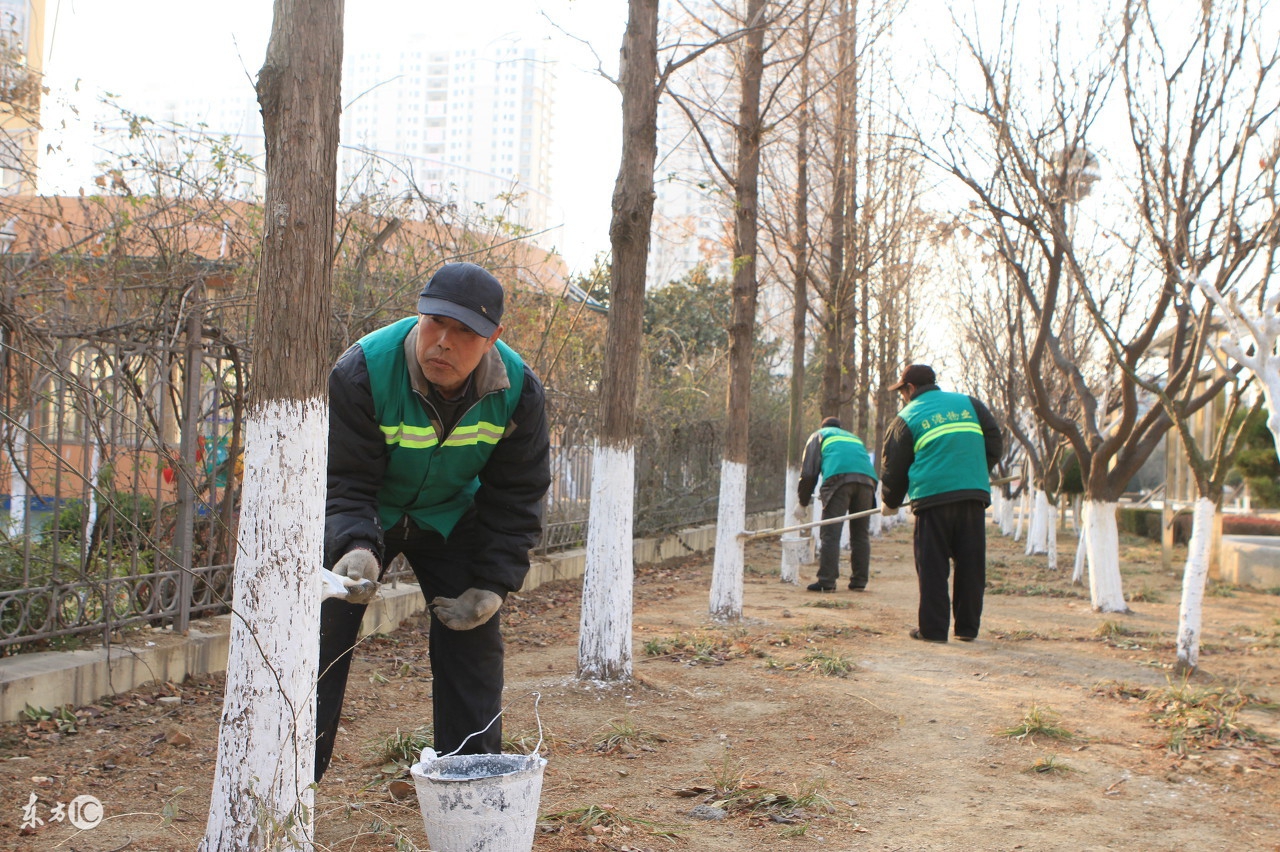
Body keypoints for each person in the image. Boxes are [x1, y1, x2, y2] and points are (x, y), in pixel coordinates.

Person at [317, 262, 551, 781]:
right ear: (419, 316)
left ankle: (470, 781)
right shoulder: (363, 369)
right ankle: (289, 784)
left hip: (450, 519)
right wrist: (354, 545)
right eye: (434, 323)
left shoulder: (518, 392)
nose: (443, 342)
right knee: (321, 639)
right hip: (366, 513)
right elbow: (344, 477)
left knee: (474, 641)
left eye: (464, 331)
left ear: (493, 337)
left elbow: (516, 496)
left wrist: (491, 584)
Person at [879, 364, 1001, 643]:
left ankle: (933, 630)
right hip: (972, 496)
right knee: (971, 563)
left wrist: (890, 501)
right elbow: (994, 442)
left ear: (910, 389)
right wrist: (974, 470)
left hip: (932, 499)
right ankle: (967, 629)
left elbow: (894, 466)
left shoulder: (906, 417)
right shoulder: (969, 404)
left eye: (903, 391)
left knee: (932, 565)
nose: (903, 397)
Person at [797, 416, 878, 592]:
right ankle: (859, 581)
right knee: (860, 534)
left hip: (839, 480)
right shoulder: (854, 438)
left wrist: (802, 503)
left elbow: (809, 473)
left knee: (831, 532)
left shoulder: (819, 435)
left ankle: (827, 581)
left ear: (823, 426)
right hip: (868, 482)